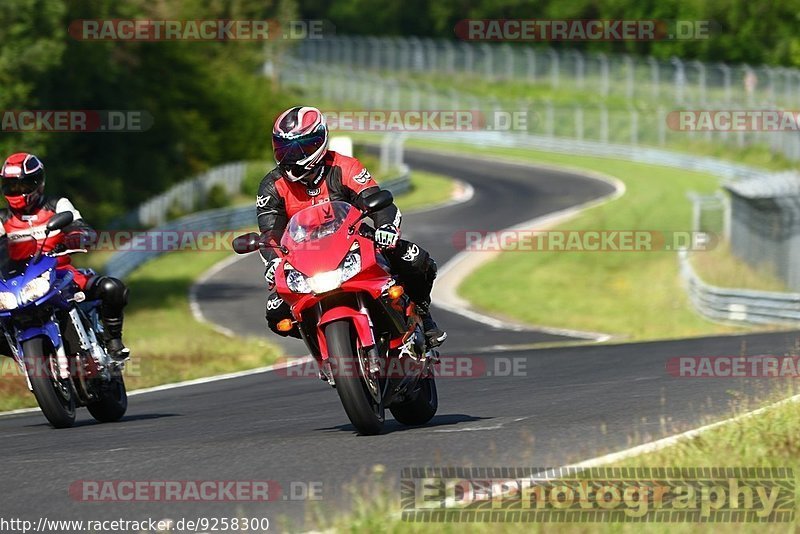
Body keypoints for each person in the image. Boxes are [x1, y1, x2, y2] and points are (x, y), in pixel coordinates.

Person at [256, 106, 447, 348]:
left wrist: (386, 227)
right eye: (285, 148)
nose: (292, 156)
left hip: (354, 242)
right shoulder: (271, 186)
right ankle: (326, 345)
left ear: (320, 140)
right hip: (304, 260)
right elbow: (269, 233)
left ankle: (422, 315)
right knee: (277, 314)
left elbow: (379, 202)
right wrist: (273, 261)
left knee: (415, 259)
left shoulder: (345, 166)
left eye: (301, 147)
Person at [0, 153, 130, 361]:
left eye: (23, 185)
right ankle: (25, 356)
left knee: (112, 288)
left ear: (38, 183)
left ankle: (113, 341)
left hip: (60, 273)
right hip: (18, 284)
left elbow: (81, 228)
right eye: (11, 186)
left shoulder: (56, 205)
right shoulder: (2, 218)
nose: (18, 191)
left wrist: (76, 238)